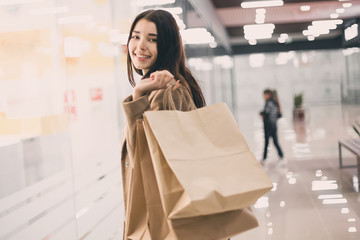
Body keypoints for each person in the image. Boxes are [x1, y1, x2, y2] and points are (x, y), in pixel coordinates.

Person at [120, 9, 206, 239]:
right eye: (136, 36)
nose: (140, 46)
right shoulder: (176, 83)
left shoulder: (166, 93)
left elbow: (143, 156)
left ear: (167, 45)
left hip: (164, 220)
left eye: (152, 39)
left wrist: (138, 93)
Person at [260, 89, 284, 163]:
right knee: (275, 141)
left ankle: (264, 158)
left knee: (267, 142)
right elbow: (279, 115)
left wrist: (261, 114)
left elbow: (266, 112)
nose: (263, 97)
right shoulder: (275, 102)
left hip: (268, 125)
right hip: (274, 125)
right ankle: (281, 155)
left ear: (268, 95)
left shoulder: (269, 102)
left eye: (264, 95)